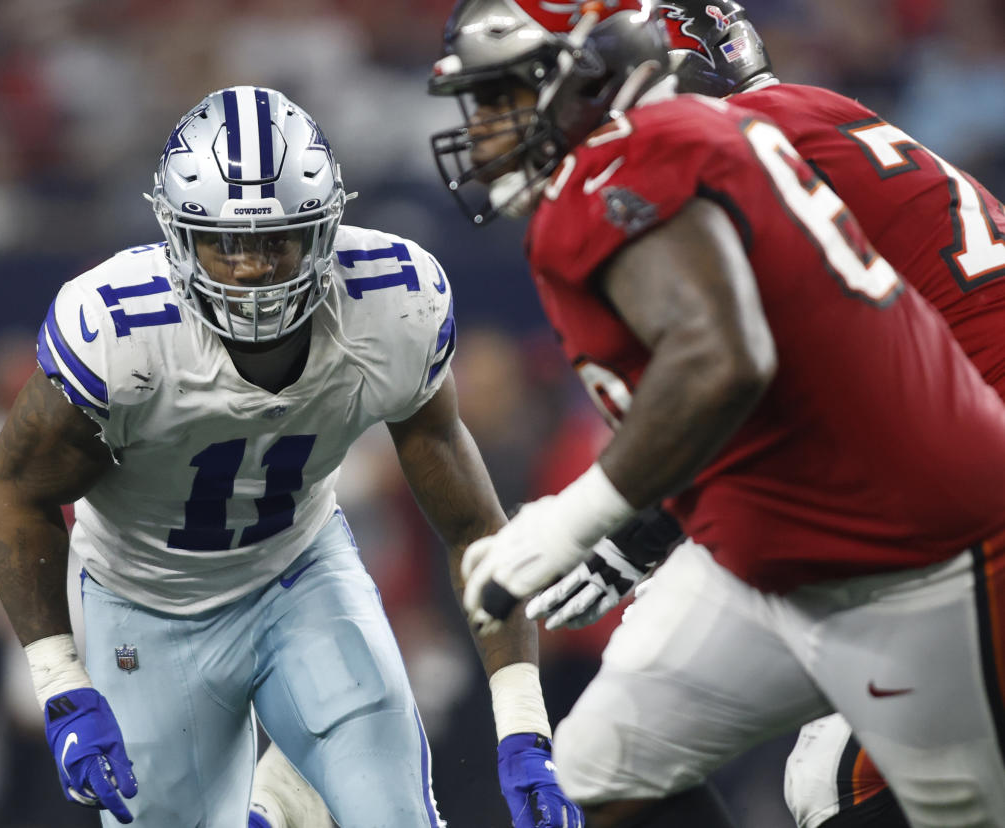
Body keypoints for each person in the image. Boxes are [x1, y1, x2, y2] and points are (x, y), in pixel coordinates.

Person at [426, 2, 1005, 828]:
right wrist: (648, 525)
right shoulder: (786, 125)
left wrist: (613, 518)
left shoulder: (702, 152)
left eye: (506, 97)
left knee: (832, 786)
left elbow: (736, 361)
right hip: (884, 471)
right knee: (622, 729)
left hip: (939, 513)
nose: (487, 128)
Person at [0, 85, 582, 828]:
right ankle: (279, 804)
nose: (252, 270)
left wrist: (524, 724)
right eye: (225, 242)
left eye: (278, 239)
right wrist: (59, 678)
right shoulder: (118, 327)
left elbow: (473, 528)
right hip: (145, 601)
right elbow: (17, 491)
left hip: (298, 575)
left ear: (327, 229)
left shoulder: (390, 304)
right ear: (177, 235)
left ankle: (293, 792)